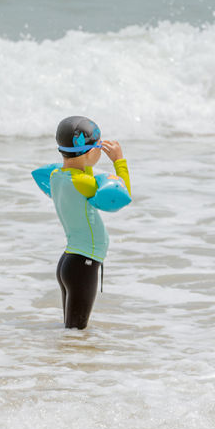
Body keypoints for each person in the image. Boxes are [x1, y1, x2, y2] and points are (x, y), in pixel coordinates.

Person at [36, 115, 131, 329]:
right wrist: (119, 161)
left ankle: (63, 361)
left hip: (70, 262)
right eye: (99, 146)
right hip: (83, 264)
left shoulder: (57, 177)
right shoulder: (83, 183)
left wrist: (88, 157)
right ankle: (71, 362)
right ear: (90, 152)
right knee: (76, 333)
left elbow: (80, 170)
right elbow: (122, 195)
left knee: (70, 331)